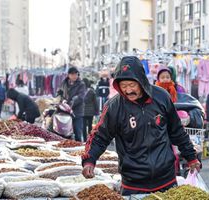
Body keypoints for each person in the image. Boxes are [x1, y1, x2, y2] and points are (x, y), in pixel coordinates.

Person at [81, 56, 200, 195]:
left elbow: (177, 131)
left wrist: (191, 157)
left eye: (132, 85)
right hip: (133, 182)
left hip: (166, 178)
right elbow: (99, 136)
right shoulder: (114, 106)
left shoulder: (161, 97)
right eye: (123, 86)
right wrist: (89, 160)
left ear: (142, 81)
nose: (128, 90)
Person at [59, 67, 86, 141]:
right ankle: (66, 149)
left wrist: (69, 104)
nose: (74, 76)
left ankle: (79, 150)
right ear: (68, 75)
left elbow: (80, 97)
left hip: (77, 112)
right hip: (65, 113)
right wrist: (62, 100)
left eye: (76, 74)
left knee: (78, 133)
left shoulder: (81, 84)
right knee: (65, 132)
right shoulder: (64, 83)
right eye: (72, 74)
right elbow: (59, 93)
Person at [82, 78, 99, 142]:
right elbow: (95, 102)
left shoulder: (81, 92)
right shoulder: (92, 91)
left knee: (83, 127)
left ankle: (84, 140)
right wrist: (97, 112)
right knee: (89, 126)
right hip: (90, 112)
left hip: (83, 112)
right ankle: (89, 140)